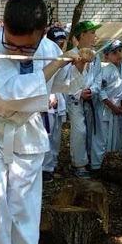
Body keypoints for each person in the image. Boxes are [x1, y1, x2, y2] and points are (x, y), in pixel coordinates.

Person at [0, 0, 87, 244]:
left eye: (28, 47)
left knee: (23, 203)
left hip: (27, 132)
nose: (20, 52)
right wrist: (51, 65)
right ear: (4, 28)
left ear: (42, 32)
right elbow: (10, 94)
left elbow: (65, 85)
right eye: (14, 44)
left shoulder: (48, 48)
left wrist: (76, 65)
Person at [65, 21, 102, 178]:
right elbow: (65, 80)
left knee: (92, 130)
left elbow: (98, 77)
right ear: (81, 35)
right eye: (92, 33)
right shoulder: (71, 55)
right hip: (74, 99)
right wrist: (79, 93)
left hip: (90, 98)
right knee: (79, 130)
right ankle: (78, 164)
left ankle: (93, 161)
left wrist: (92, 90)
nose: (95, 36)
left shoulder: (96, 55)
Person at [42, 27, 70, 183]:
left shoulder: (63, 56)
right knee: (46, 135)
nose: (60, 46)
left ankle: (52, 164)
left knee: (55, 137)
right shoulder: (45, 55)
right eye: (57, 43)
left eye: (62, 42)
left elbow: (64, 80)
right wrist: (51, 95)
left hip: (59, 103)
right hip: (47, 104)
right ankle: (45, 168)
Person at [97, 40, 122, 160]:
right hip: (105, 108)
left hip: (117, 107)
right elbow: (101, 91)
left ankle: (109, 162)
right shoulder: (104, 69)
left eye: (120, 51)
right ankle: (98, 163)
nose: (119, 54)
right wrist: (112, 106)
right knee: (102, 136)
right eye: (114, 52)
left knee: (114, 137)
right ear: (106, 55)